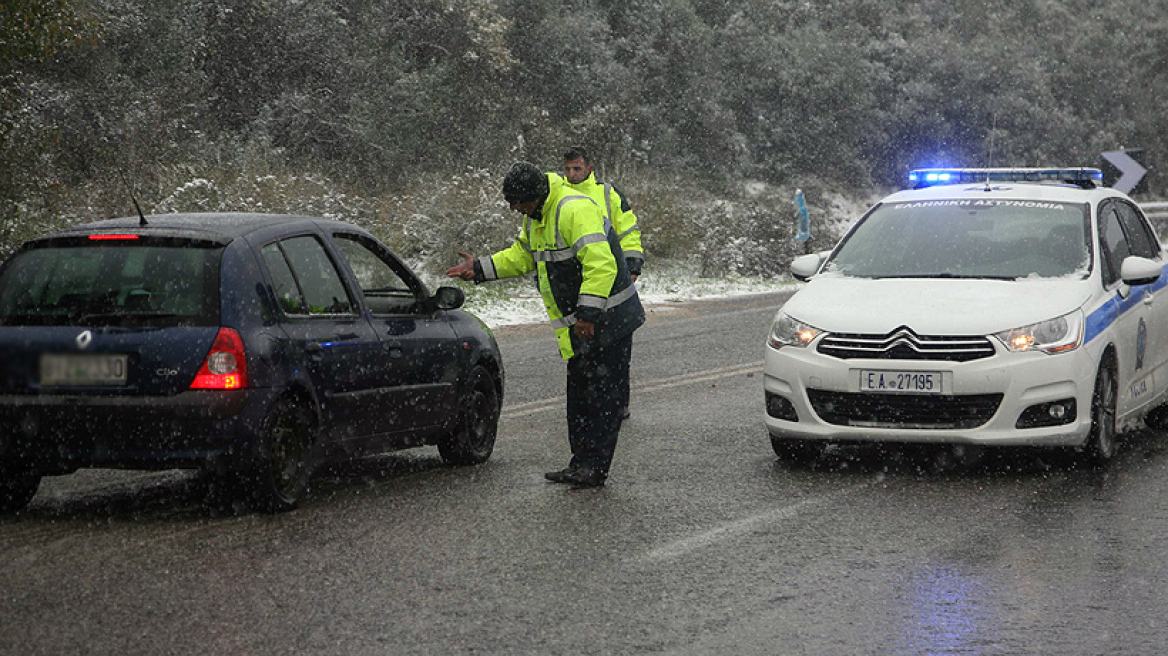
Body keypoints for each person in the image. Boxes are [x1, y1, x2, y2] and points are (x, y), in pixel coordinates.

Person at [446, 162, 644, 488]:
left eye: (517, 203)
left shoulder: (573, 210)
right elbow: (523, 255)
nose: (514, 209)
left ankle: (594, 469)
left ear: (535, 196)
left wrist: (588, 315)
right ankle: (581, 463)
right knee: (580, 397)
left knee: (603, 400)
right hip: (582, 324)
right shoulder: (537, 216)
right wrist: (480, 268)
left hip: (609, 318)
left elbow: (601, 265)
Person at [560, 146, 643, 420]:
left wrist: (632, 264)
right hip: (578, 284)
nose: (572, 174)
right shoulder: (559, 197)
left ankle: (618, 405)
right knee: (583, 350)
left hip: (612, 281)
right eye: (568, 169)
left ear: (589, 169)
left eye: (577, 169)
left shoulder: (608, 194)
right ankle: (589, 406)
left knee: (616, 349)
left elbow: (628, 230)